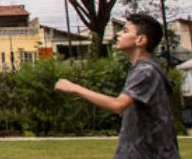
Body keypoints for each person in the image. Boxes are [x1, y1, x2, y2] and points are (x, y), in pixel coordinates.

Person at [55, 13, 180, 158]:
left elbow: (118, 105)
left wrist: (74, 88)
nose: (118, 34)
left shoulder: (146, 71)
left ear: (140, 40)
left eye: (125, 31)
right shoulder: (141, 69)